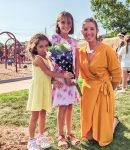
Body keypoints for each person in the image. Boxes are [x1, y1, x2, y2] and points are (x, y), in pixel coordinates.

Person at [26, 33, 73, 150]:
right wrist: (63, 75)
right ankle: (31, 140)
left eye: (46, 46)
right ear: (34, 47)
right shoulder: (37, 59)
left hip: (45, 89)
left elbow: (47, 76)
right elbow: (47, 72)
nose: (44, 49)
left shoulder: (46, 58)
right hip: (37, 90)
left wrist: (53, 81)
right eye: (41, 46)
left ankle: (40, 136)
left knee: (43, 114)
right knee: (34, 116)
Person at [79, 18, 121, 146]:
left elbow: (117, 74)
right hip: (87, 91)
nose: (89, 32)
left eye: (92, 29)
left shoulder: (106, 49)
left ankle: (113, 122)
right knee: (89, 137)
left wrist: (108, 90)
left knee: (103, 138)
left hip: (103, 91)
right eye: (86, 29)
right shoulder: (80, 52)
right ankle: (112, 120)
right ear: (82, 32)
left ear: (97, 31)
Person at [51, 11, 80, 148]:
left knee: (70, 106)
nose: (66, 25)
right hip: (61, 78)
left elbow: (77, 60)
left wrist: (75, 76)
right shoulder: (55, 39)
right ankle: (60, 135)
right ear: (58, 23)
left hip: (71, 78)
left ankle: (70, 133)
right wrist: (66, 76)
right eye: (63, 22)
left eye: (69, 22)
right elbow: (58, 59)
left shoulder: (74, 41)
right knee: (62, 107)